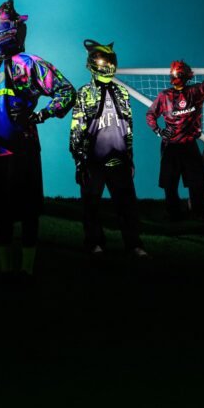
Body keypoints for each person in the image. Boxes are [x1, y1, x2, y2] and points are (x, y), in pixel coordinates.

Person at [0, 0, 76, 284]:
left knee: (27, 211)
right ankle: (5, 272)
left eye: (2, 25)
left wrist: (42, 115)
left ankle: (27, 272)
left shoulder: (30, 64)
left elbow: (66, 91)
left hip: (21, 148)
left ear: (16, 29)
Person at [69, 40, 148, 258]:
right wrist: (79, 161)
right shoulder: (84, 93)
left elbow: (128, 127)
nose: (108, 66)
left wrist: (130, 157)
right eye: (104, 61)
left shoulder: (122, 92)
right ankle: (94, 243)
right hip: (93, 160)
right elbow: (77, 128)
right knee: (91, 205)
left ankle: (134, 245)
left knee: (127, 206)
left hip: (119, 159)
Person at [146, 59, 204, 221]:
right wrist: (158, 131)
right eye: (174, 73)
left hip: (189, 145)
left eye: (179, 74)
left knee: (197, 182)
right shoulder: (164, 96)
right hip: (170, 146)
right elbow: (150, 115)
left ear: (187, 76)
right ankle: (174, 214)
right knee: (169, 183)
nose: (176, 76)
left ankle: (199, 213)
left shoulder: (195, 92)